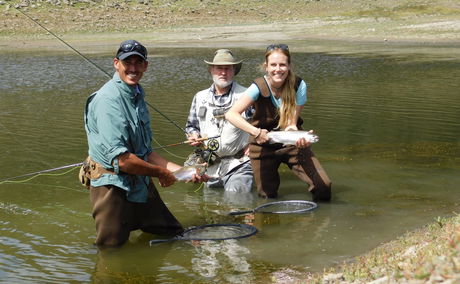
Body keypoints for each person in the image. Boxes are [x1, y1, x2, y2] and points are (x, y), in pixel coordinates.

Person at [83, 39, 206, 247]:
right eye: (127, 62)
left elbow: (146, 153)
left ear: (145, 66)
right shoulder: (107, 101)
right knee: (111, 250)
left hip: (140, 177)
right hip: (112, 185)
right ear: (116, 63)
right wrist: (161, 173)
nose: (133, 68)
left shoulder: (137, 94)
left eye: (138, 63)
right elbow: (122, 161)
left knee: (171, 232)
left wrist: (184, 172)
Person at [225, 44, 332, 201]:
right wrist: (256, 132)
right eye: (273, 65)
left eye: (282, 64)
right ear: (266, 67)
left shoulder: (299, 85)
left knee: (323, 186)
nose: (278, 69)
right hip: (262, 145)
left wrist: (298, 138)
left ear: (289, 66)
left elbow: (291, 124)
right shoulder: (257, 87)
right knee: (267, 197)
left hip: (290, 143)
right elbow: (231, 114)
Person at [185, 49, 254, 192]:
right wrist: (193, 136)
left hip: (240, 163)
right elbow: (191, 126)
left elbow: (263, 124)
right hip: (209, 165)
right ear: (211, 70)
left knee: (236, 198)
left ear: (234, 70)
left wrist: (254, 143)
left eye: (228, 68)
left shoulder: (247, 95)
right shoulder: (199, 97)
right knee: (211, 206)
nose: (223, 72)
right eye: (219, 68)